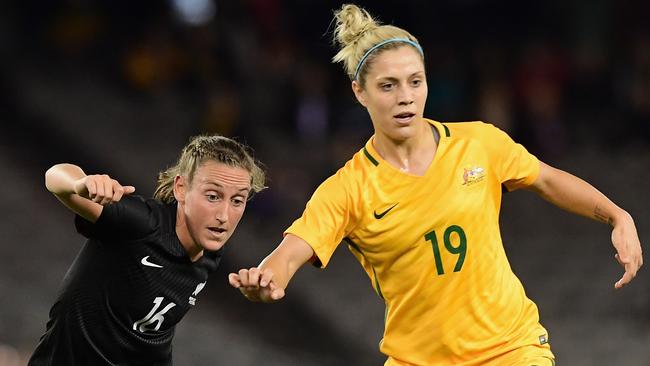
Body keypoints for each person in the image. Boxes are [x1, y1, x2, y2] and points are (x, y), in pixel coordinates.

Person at [228, 4, 644, 366]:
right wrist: (266, 282)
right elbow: (289, 254)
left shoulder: (478, 143)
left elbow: (549, 181)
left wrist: (616, 215)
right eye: (388, 86)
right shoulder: (348, 189)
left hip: (513, 350)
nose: (405, 96)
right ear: (360, 92)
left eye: (415, 81)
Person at [29, 135, 265, 365]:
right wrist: (80, 183)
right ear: (181, 188)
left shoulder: (211, 252)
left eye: (237, 201)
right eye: (213, 196)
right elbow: (54, 176)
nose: (224, 216)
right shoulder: (141, 224)